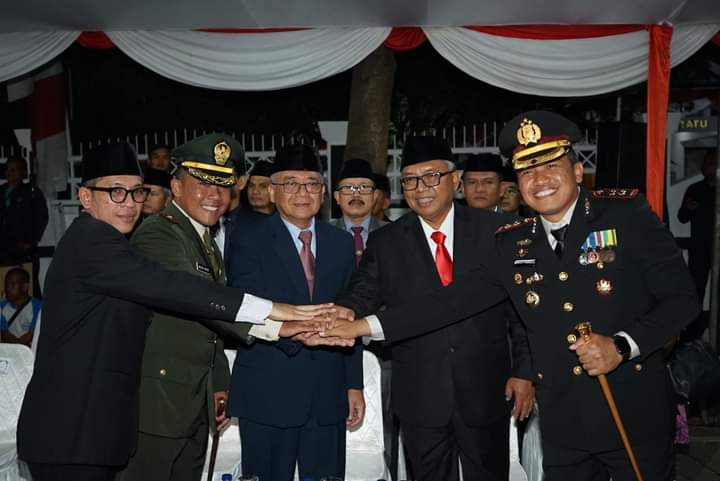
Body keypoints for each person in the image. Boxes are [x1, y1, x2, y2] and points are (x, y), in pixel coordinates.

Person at [324, 111, 699, 481]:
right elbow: (449, 304)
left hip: (629, 409)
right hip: (563, 422)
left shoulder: (625, 215)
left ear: (576, 171)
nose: (540, 180)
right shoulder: (514, 243)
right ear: (518, 184)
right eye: (527, 172)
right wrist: (358, 326)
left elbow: (682, 300)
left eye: (550, 166)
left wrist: (622, 345)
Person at [16, 142, 338, 481]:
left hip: (94, 431)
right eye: (116, 192)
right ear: (85, 197)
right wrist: (273, 311)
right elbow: (175, 287)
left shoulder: (117, 245)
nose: (129, 203)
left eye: (136, 192)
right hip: (71, 433)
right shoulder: (92, 240)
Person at [120, 133, 319, 481]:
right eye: (203, 184)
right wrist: (276, 319)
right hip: (159, 404)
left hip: (193, 401)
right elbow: (195, 297)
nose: (215, 195)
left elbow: (208, 328)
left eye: (224, 186)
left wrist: (218, 385)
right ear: (176, 187)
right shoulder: (158, 234)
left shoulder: (203, 239)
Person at [335, 136, 534, 481]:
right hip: (420, 394)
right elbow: (361, 293)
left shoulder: (496, 232)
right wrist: (341, 314)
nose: (420, 188)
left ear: (455, 180)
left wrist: (525, 372)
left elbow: (522, 312)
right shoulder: (387, 241)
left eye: (431, 177)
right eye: (410, 180)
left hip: (486, 388)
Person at [225, 144, 364, 481]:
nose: (302, 192)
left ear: (323, 192)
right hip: (269, 389)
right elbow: (246, 307)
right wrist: (303, 332)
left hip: (328, 390)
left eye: (311, 183)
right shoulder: (246, 239)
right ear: (272, 191)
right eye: (290, 183)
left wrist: (353, 384)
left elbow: (350, 313)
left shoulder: (341, 243)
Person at [677, 149, 717, 339]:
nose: (706, 167)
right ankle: (692, 334)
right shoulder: (695, 189)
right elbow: (682, 217)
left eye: (710, 163)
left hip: (718, 248)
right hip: (699, 248)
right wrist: (688, 208)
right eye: (705, 163)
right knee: (696, 290)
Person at [0, 156, 49, 265]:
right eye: (8, 168)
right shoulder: (1, 191)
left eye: (15, 168)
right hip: (2, 247)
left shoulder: (31, 192)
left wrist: (30, 241)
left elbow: (41, 217)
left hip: (23, 248)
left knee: (24, 274)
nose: (11, 172)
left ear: (23, 172)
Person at [0, 266, 41, 346]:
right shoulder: (2, 307)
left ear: (25, 287)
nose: (8, 289)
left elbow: (32, 334)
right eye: (6, 285)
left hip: (29, 351)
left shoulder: (38, 306)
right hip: (13, 350)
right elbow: (4, 333)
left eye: (12, 284)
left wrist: (19, 349)